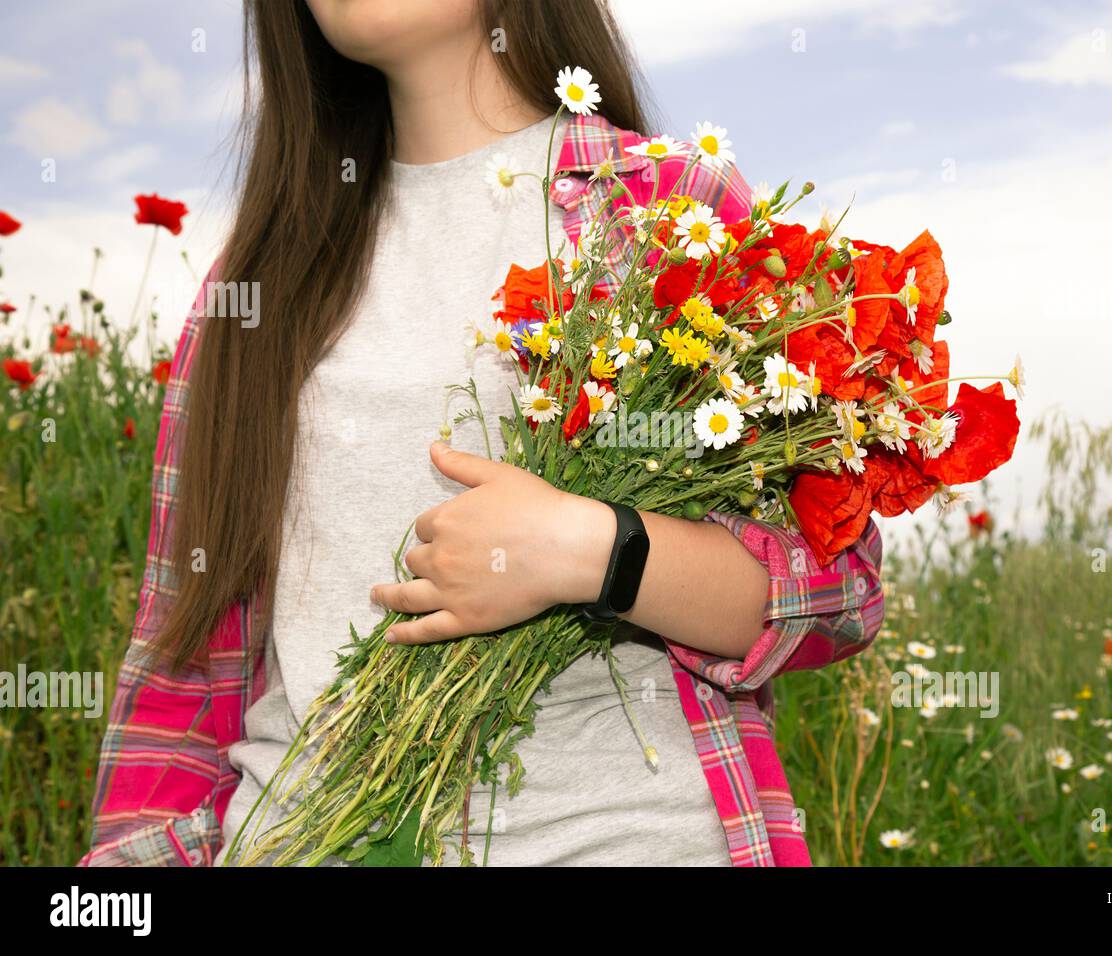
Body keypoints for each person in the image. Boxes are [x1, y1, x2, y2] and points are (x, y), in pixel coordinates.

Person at [83, 0, 884, 868]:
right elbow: (180, 668)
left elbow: (837, 593)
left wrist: (592, 549)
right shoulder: (256, 283)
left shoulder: (666, 207)